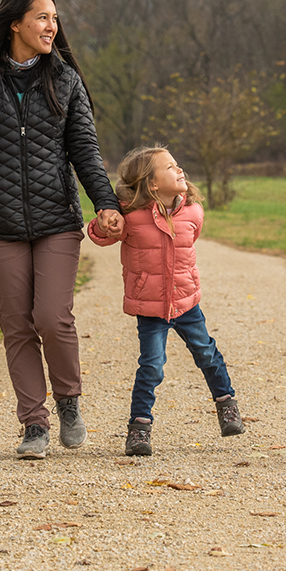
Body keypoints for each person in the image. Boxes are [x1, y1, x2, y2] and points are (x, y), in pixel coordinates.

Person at [0, 0, 122, 460]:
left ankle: (68, 401)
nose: (51, 27)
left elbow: (85, 149)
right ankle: (34, 425)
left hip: (56, 220)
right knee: (17, 325)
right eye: (42, 18)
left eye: (55, 19)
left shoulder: (65, 80)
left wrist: (107, 203)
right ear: (16, 23)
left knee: (52, 318)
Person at [87, 145, 244, 456]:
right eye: (170, 167)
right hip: (150, 306)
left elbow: (190, 240)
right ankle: (139, 428)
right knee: (152, 365)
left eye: (178, 164)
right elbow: (100, 235)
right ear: (152, 183)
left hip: (186, 302)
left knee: (207, 353)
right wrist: (104, 222)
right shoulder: (130, 216)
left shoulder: (193, 212)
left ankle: (226, 404)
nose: (180, 169)